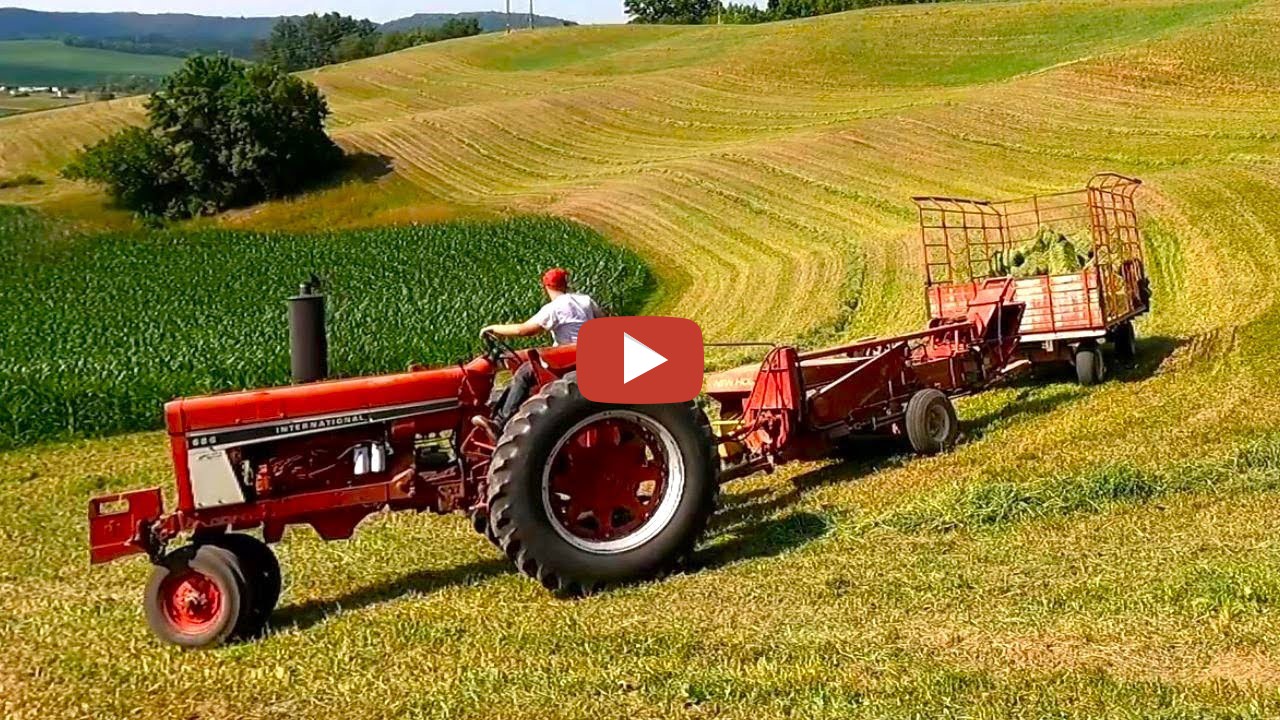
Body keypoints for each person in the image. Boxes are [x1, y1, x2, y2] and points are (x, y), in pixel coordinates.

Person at [476, 268, 601, 434]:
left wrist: (493, 328)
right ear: (566, 284)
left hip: (569, 361)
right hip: (589, 355)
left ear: (546, 287)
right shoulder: (586, 301)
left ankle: (500, 422)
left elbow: (524, 330)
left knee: (524, 372)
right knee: (526, 369)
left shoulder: (554, 308)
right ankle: (504, 414)